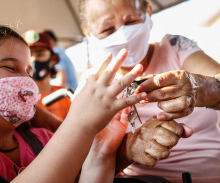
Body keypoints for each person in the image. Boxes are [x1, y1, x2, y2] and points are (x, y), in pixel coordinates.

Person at [0, 25, 192, 183]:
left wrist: (101, 154)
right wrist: (80, 124)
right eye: (10, 67)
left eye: (28, 73)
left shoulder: (42, 139)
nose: (26, 82)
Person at [77, 0, 220, 182]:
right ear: (88, 32)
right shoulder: (91, 85)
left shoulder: (175, 47)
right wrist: (130, 149)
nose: (123, 35)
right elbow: (84, 165)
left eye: (131, 21)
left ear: (148, 11)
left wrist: (203, 87)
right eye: (107, 29)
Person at [22, 30, 71, 120]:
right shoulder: (21, 101)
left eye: (40, 54)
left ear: (53, 59)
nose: (33, 59)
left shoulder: (66, 95)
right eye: (27, 56)